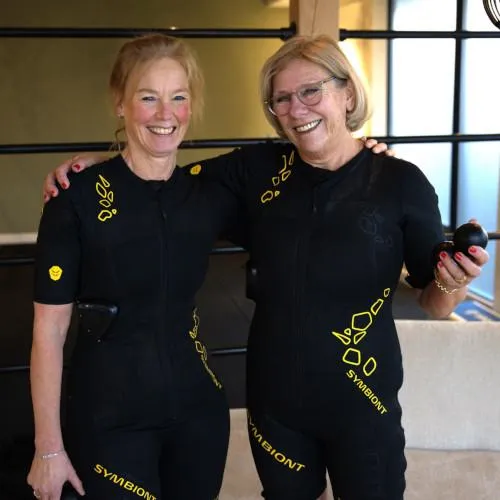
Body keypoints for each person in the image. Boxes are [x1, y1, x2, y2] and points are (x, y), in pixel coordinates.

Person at [42, 35, 489, 500]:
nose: (297, 109)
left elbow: (437, 304)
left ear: (348, 93)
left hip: (364, 405)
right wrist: (98, 169)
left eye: (311, 91)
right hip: (276, 407)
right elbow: (164, 174)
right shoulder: (257, 171)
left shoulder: (401, 183)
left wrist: (451, 281)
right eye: (282, 99)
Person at [28, 34, 240, 500]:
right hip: (109, 418)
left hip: (198, 415)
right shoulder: (75, 199)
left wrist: (363, 149)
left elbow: (300, 171)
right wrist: (48, 449)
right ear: (119, 103)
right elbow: (49, 329)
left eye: (178, 97)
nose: (166, 114)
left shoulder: (208, 193)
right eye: (148, 97)